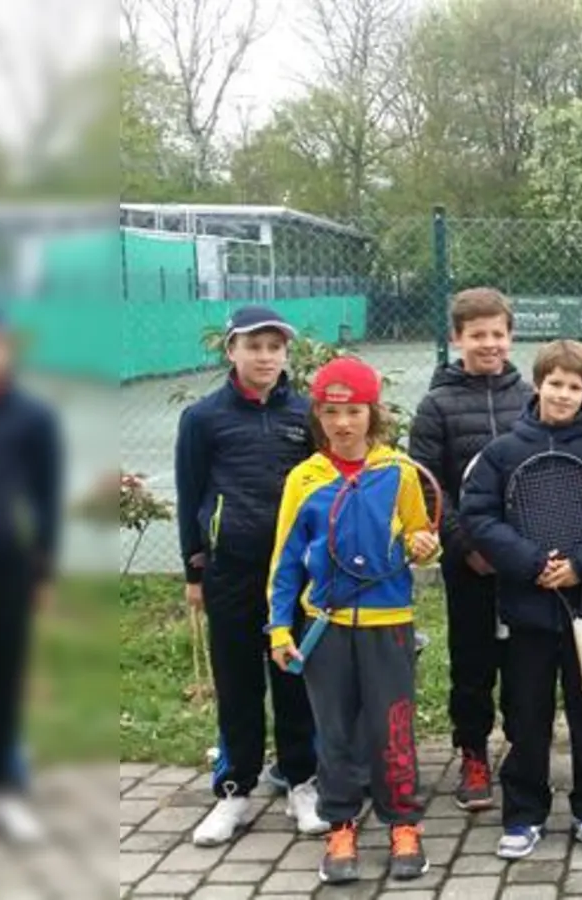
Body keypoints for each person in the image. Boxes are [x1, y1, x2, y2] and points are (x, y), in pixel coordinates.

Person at [461, 341, 582, 860]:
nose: (563, 394)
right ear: (538, 383)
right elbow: (479, 516)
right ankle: (523, 814)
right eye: (555, 383)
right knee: (526, 717)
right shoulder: (504, 452)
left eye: (575, 387)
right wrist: (530, 563)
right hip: (527, 611)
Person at [267, 357, 440, 884]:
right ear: (318, 415)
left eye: (354, 411)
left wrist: (424, 546)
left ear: (373, 414)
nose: (343, 423)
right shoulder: (304, 479)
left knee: (393, 729)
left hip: (389, 623)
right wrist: (279, 628)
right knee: (335, 731)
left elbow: (419, 542)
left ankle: (403, 825)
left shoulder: (399, 472)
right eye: (331, 411)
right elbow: (286, 560)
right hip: (326, 627)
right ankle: (340, 825)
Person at [174, 305, 322, 846]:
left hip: (295, 577)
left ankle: (302, 782)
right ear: (231, 351)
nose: (265, 357)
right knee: (237, 682)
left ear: (286, 354)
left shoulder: (304, 414)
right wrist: (194, 571)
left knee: (295, 678)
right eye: (253, 346)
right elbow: (190, 494)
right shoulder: (203, 418)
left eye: (274, 347)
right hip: (229, 573)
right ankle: (234, 792)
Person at [407, 287, 532, 811]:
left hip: (524, 564)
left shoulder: (529, 396)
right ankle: (474, 753)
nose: (488, 344)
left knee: (526, 664)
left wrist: (522, 550)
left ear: (510, 336)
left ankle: (525, 752)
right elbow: (429, 485)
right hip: (471, 565)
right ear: (457, 338)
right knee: (472, 664)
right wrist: (469, 547)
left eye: (497, 334)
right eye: (477, 335)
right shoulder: (436, 405)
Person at [0, 307, 59, 844]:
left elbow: (46, 498)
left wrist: (42, 569)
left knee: (2, 675)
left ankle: (2, 788)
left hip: (5, 565)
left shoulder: (30, 417)